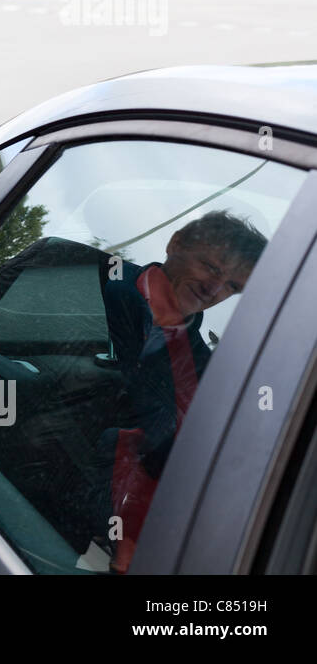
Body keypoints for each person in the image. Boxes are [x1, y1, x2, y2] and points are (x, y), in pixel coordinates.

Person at [96, 209, 266, 572]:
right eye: (212, 267)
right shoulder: (94, 282)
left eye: (233, 286)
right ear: (176, 243)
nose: (214, 290)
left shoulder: (202, 368)